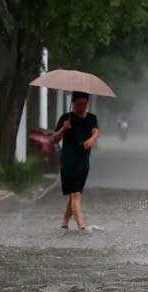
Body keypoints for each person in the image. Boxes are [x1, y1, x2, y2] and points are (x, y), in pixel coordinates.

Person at [53, 91, 99, 231]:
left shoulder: (91, 118)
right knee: (76, 194)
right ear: (73, 103)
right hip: (68, 161)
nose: (81, 107)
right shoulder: (66, 118)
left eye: (84, 104)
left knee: (75, 193)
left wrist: (91, 140)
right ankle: (81, 226)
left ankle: (65, 221)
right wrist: (63, 129)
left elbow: (96, 132)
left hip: (83, 161)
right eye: (79, 104)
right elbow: (55, 139)